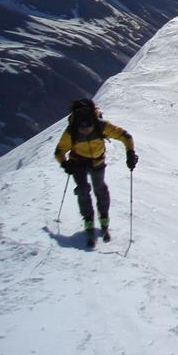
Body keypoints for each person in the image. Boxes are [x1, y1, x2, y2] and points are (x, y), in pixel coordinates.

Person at [54, 98, 138, 248]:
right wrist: (65, 163)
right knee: (86, 189)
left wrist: (130, 153)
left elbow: (126, 137)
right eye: (82, 128)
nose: (85, 130)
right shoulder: (82, 129)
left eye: (88, 127)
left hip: (89, 162)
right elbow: (59, 152)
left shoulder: (93, 127)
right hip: (81, 162)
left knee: (96, 188)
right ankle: (92, 217)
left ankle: (99, 216)